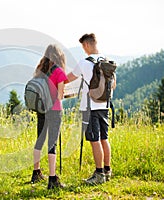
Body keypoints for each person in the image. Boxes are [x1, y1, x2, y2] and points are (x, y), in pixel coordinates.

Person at [67, 33, 115, 185]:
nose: (83, 50)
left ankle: (99, 174)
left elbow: (68, 78)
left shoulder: (84, 63)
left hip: (89, 107)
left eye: (83, 47)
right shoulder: (107, 62)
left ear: (87, 45)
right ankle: (107, 170)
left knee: (94, 140)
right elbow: (113, 85)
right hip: (105, 106)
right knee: (104, 138)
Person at [31, 44, 68, 189]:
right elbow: (59, 96)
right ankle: (52, 179)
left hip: (41, 110)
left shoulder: (40, 69)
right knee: (52, 144)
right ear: (59, 56)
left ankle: (36, 172)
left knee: (39, 140)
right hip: (54, 110)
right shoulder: (58, 72)